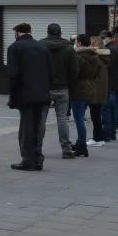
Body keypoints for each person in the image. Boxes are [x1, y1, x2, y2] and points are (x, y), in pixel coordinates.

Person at [7, 23, 52, 172]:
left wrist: (13, 95)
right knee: (38, 125)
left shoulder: (15, 47)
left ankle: (27, 160)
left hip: (25, 93)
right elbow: (50, 70)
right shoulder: (43, 47)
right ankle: (38, 157)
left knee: (26, 127)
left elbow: (13, 74)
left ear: (17, 33)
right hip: (43, 93)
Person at [40, 23, 80, 160]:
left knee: (41, 119)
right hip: (62, 87)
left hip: (44, 87)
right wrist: (69, 83)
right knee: (62, 118)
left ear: (48, 32)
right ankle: (66, 149)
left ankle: (37, 148)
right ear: (60, 33)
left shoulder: (40, 46)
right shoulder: (68, 48)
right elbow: (75, 70)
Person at [72, 34, 107, 155]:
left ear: (80, 44)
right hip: (91, 89)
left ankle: (82, 145)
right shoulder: (96, 57)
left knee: (79, 119)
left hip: (79, 90)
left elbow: (74, 74)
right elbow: (98, 74)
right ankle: (80, 142)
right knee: (82, 118)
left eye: (77, 42)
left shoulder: (78, 57)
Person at [99, 31, 118, 140]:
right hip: (113, 82)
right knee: (113, 108)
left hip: (109, 83)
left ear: (108, 38)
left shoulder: (111, 49)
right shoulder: (114, 48)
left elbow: (108, 66)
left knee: (107, 108)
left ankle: (107, 132)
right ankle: (112, 131)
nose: (102, 39)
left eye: (104, 37)